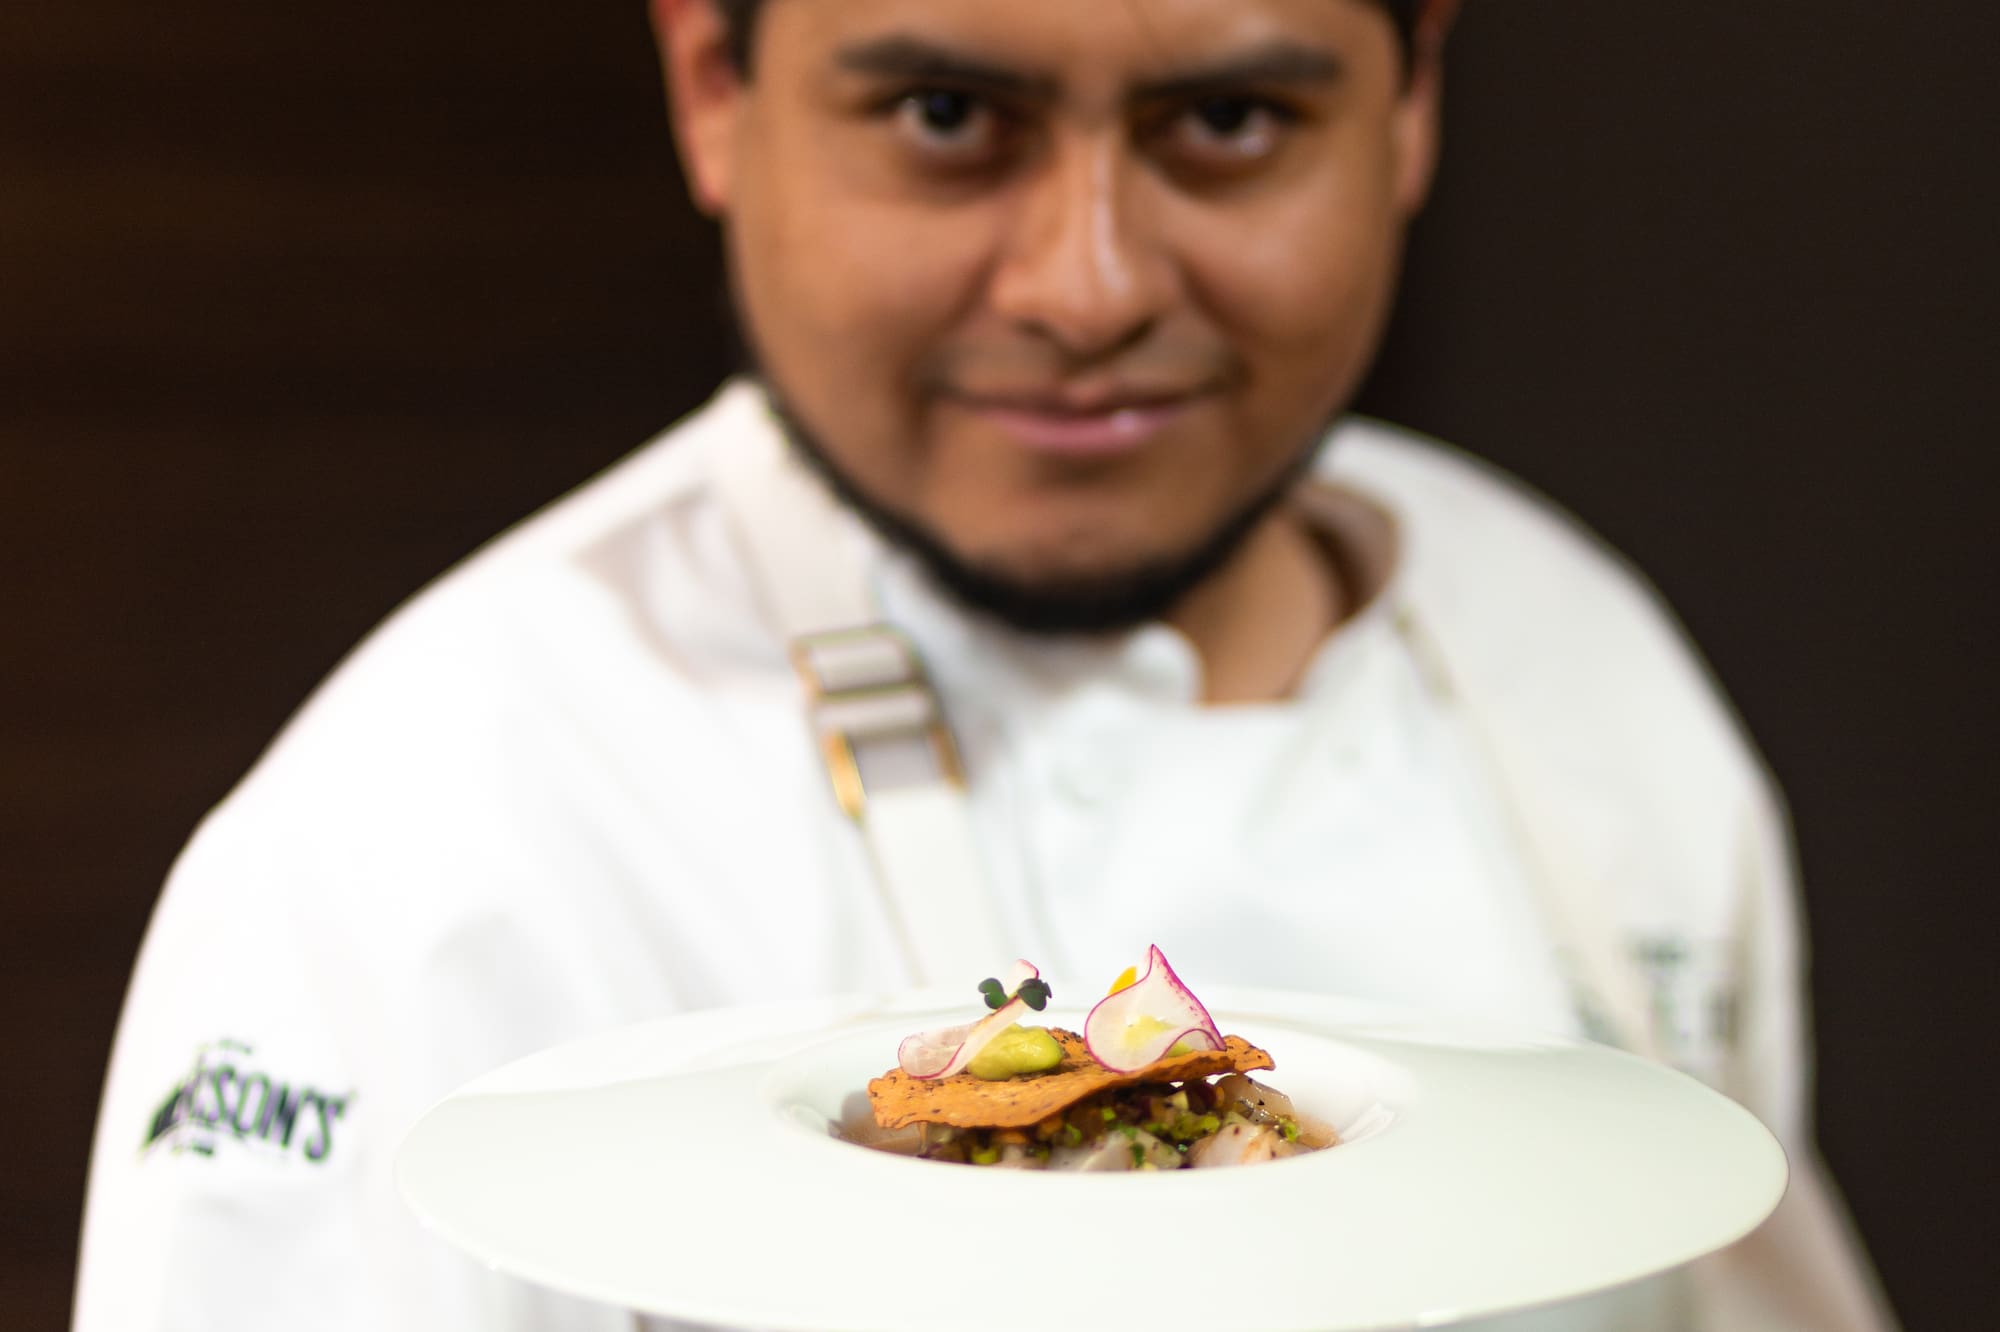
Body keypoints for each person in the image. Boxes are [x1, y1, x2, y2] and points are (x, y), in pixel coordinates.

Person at [75, 1, 1897, 1328]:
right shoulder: (418, 838)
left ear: (1413, 98)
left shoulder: (1575, 660)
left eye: (1235, 116)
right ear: (717, 91)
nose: (1087, 285)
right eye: (948, 114)